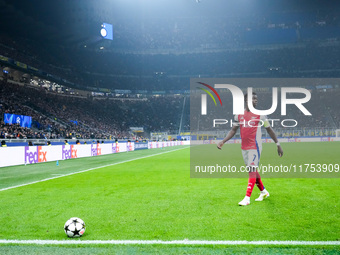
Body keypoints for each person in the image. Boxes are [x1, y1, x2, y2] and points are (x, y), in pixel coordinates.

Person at [217, 92, 283, 206]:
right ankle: (263, 191)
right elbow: (233, 130)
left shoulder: (260, 115)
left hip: (255, 146)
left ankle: (247, 198)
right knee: (253, 171)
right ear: (245, 100)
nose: (255, 101)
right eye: (253, 99)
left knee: (252, 170)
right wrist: (223, 141)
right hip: (244, 147)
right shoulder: (238, 115)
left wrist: (278, 144)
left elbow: (269, 130)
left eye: (256, 99)